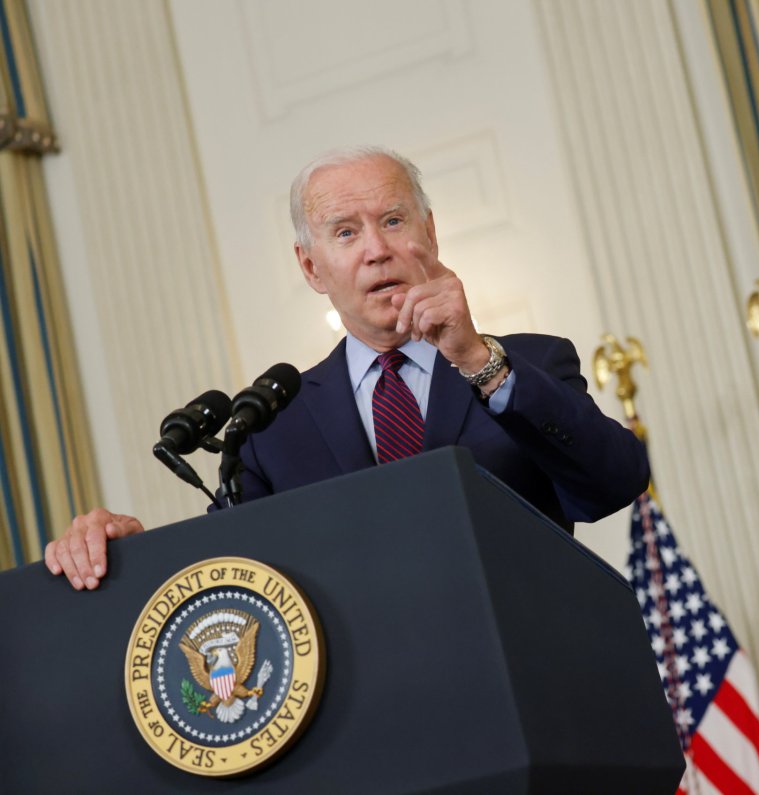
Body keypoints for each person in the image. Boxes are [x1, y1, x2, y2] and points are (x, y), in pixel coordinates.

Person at [45, 145, 649, 591]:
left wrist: (477, 360)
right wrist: (128, 558)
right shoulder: (272, 428)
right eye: (345, 232)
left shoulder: (529, 362)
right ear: (311, 268)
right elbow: (229, 576)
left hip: (538, 692)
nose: (376, 249)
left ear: (430, 233)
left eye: (392, 220)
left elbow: (614, 483)